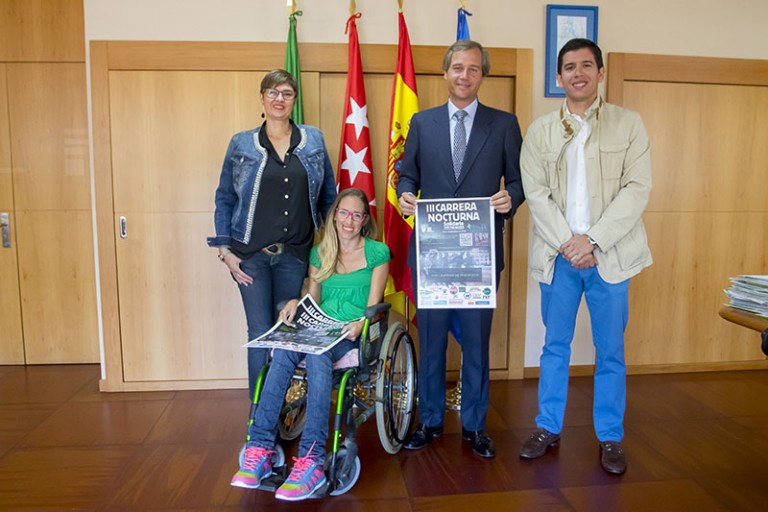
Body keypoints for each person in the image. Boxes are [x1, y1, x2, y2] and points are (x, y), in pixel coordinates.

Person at [518, 38, 652, 475]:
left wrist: (592, 241)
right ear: (559, 78)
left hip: (610, 259)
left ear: (600, 73)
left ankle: (610, 436)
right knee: (553, 345)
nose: (578, 73)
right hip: (559, 259)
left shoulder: (628, 124)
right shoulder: (540, 131)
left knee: (610, 350)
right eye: (570, 67)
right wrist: (570, 244)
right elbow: (535, 194)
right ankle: (547, 427)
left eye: (586, 65)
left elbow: (637, 191)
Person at [397, 39, 524, 458]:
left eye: (472, 69)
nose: (464, 76)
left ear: (481, 75)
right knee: (431, 343)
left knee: (476, 344)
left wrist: (511, 200)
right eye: (457, 68)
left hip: (480, 259)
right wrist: (406, 195)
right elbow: (406, 175)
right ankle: (430, 421)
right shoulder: (421, 122)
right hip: (433, 256)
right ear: (445, 73)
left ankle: (474, 426)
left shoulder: (503, 124)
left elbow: (521, 183)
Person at [230, 188, 390, 501]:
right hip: (320, 328)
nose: (349, 220)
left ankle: (312, 460)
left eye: (356, 214)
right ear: (335, 216)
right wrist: (294, 303)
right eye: (343, 212)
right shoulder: (321, 253)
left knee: (317, 358)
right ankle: (260, 448)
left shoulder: (377, 253)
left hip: (352, 333)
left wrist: (361, 324)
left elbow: (375, 306)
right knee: (286, 351)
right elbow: (313, 300)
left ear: (364, 220)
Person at [207, 69, 337, 399]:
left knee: (287, 332)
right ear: (262, 97)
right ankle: (258, 418)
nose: (279, 99)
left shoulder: (313, 140)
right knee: (260, 333)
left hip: (295, 255)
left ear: (295, 100)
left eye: (286, 93)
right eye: (272, 92)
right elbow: (224, 197)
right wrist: (225, 251)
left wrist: (336, 248)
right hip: (250, 258)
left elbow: (328, 198)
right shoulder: (241, 143)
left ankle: (282, 408)